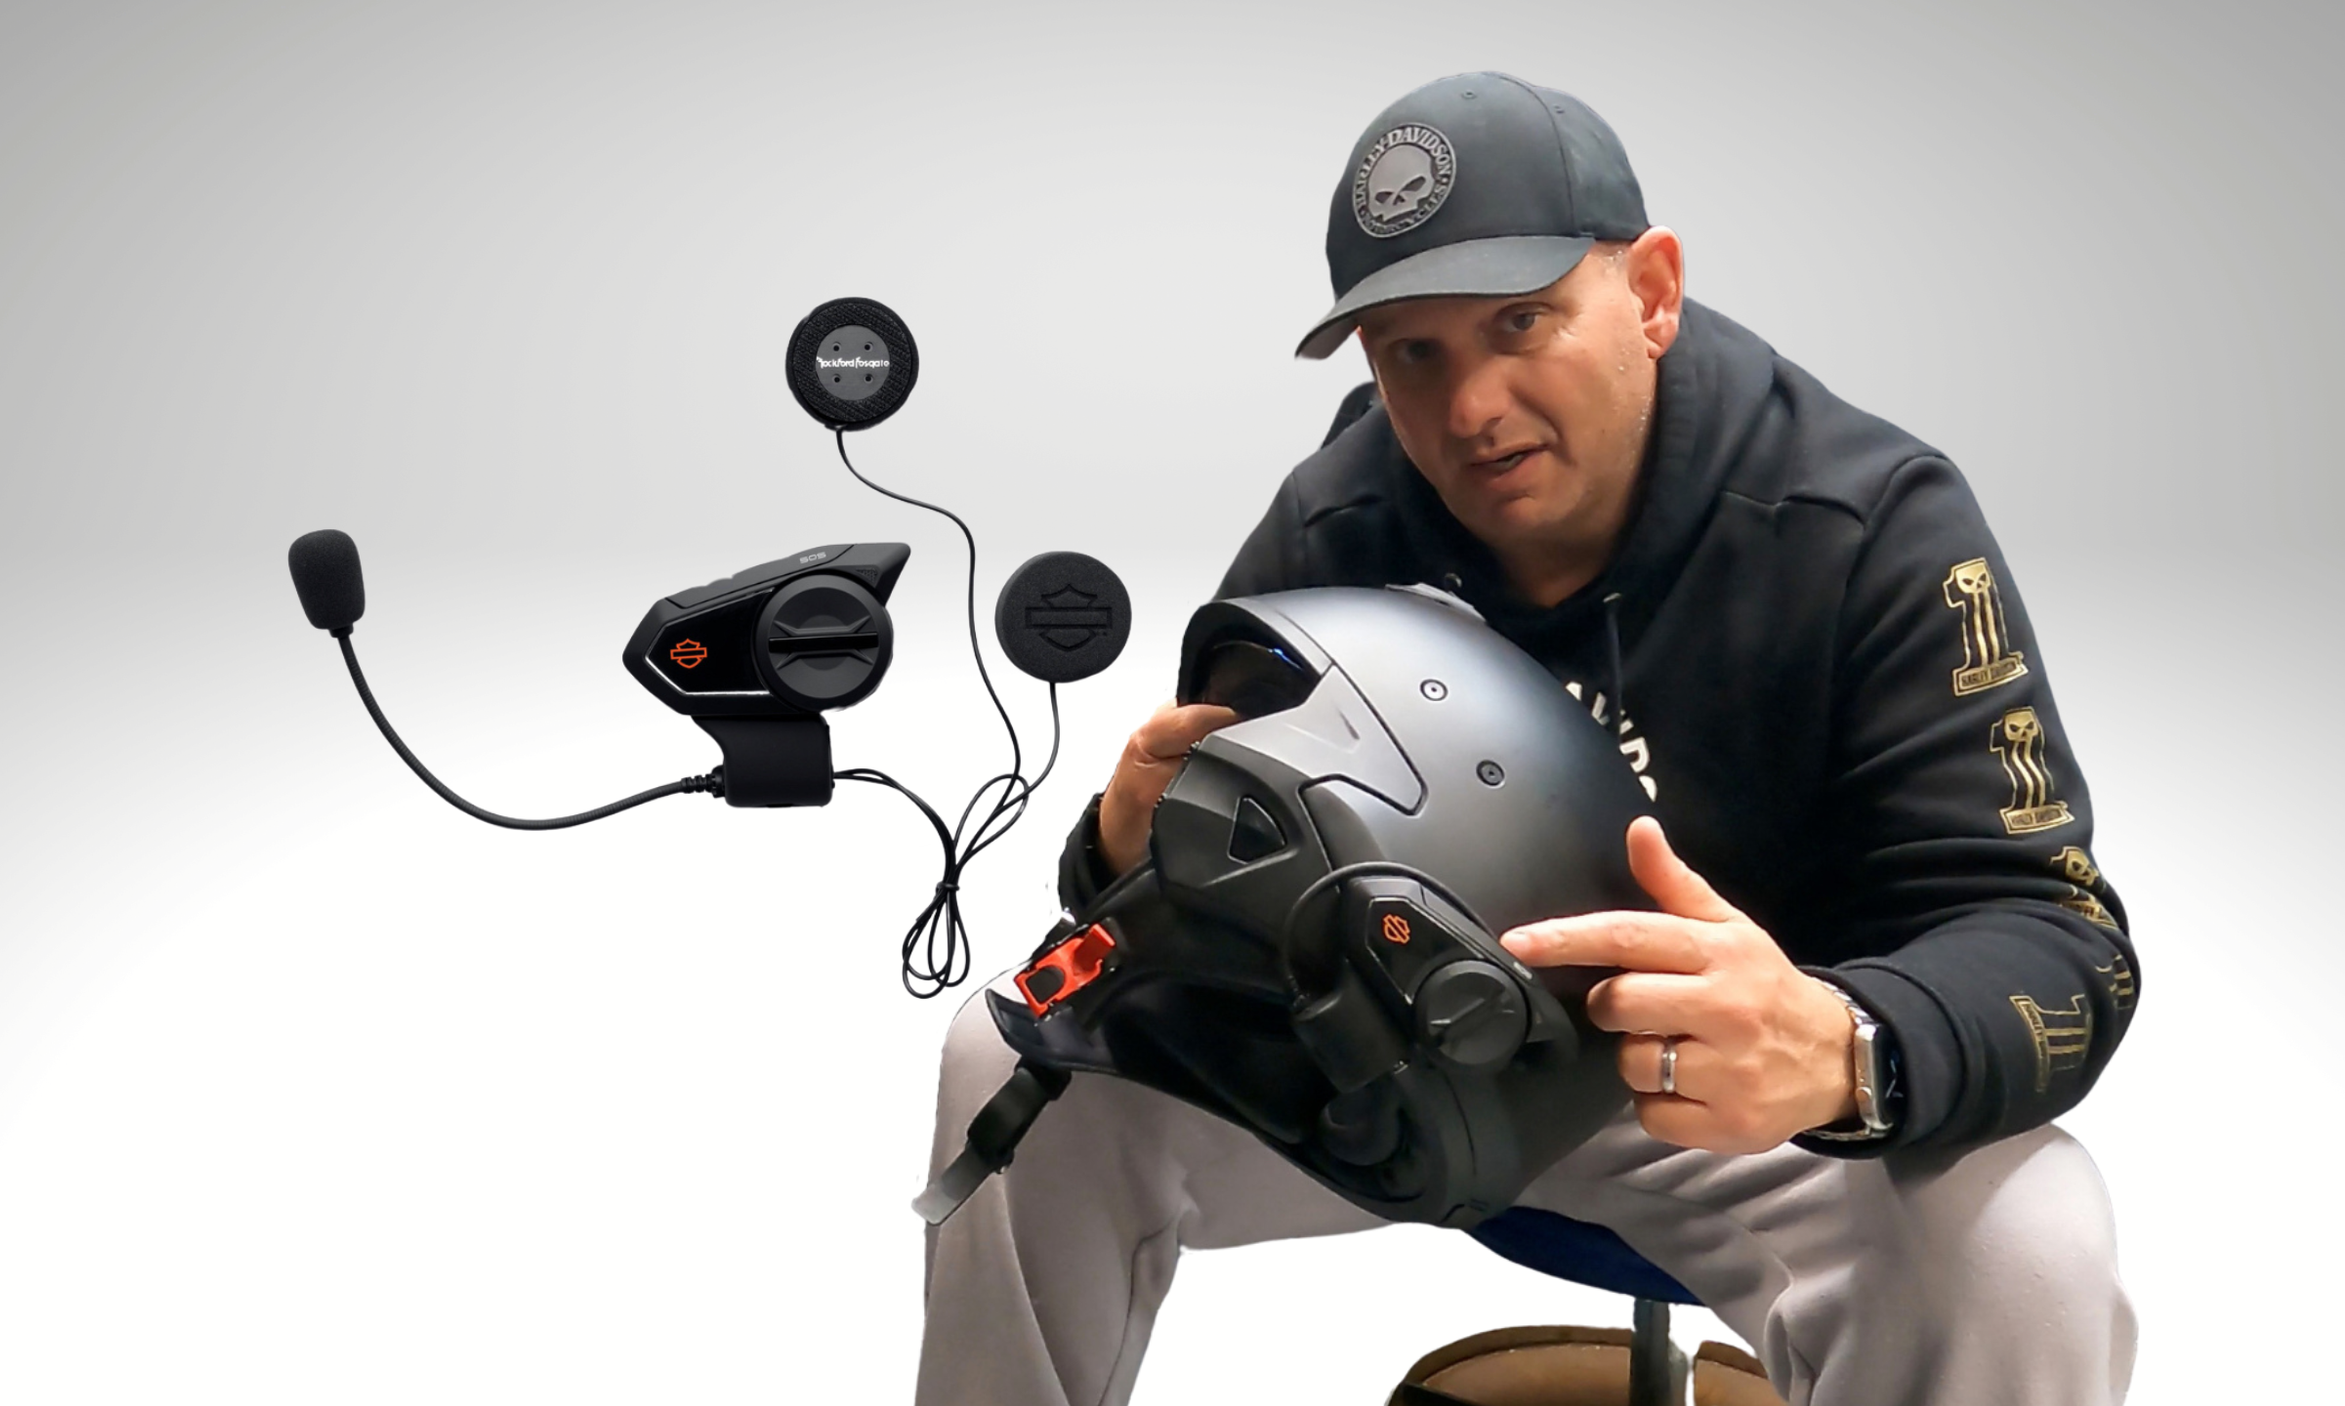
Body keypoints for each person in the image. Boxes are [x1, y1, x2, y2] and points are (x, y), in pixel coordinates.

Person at [916, 71, 2140, 1406]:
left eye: (1523, 322)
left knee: (2033, 1240)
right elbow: (1226, 903)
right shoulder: (1339, 526)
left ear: (1654, 292)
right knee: (1011, 1056)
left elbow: (2062, 945)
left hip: (1730, 1104)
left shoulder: (1873, 528)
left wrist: (1845, 1042)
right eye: (1412, 352)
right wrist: (1120, 857)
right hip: (1394, 1067)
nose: (1470, 406)